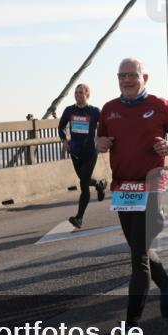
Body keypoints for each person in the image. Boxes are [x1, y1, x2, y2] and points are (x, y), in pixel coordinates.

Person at [96, 58, 168, 335]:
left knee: (137, 258)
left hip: (152, 182)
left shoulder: (160, 105)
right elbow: (100, 138)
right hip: (123, 186)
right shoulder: (109, 109)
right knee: (141, 250)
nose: (125, 80)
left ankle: (131, 330)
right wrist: (101, 144)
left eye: (131, 75)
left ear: (144, 76)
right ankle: (167, 284)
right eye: (120, 75)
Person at [59, 84, 107, 229]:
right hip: (75, 153)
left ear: (87, 95)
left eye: (80, 92)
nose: (77, 95)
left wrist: (101, 139)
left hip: (90, 152)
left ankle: (79, 218)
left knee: (83, 185)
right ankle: (99, 185)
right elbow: (60, 127)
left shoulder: (94, 111)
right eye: (76, 92)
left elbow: (105, 125)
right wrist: (65, 140)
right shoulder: (69, 110)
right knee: (83, 180)